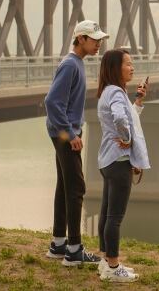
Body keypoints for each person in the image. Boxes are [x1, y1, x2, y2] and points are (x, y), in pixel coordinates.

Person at [44, 20, 108, 266]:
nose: (98, 44)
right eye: (94, 39)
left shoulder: (75, 63)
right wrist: (71, 135)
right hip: (65, 134)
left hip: (61, 132)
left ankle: (59, 244)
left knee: (64, 186)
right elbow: (52, 102)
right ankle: (73, 251)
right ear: (80, 39)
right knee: (76, 188)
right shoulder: (71, 64)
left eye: (100, 39)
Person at [95, 49, 151, 282]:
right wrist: (127, 140)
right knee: (115, 216)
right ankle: (114, 266)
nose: (132, 67)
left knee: (107, 213)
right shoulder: (117, 93)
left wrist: (137, 101)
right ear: (116, 68)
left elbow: (127, 117)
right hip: (119, 162)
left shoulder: (109, 92)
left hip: (108, 160)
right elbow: (120, 119)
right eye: (128, 64)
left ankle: (106, 262)